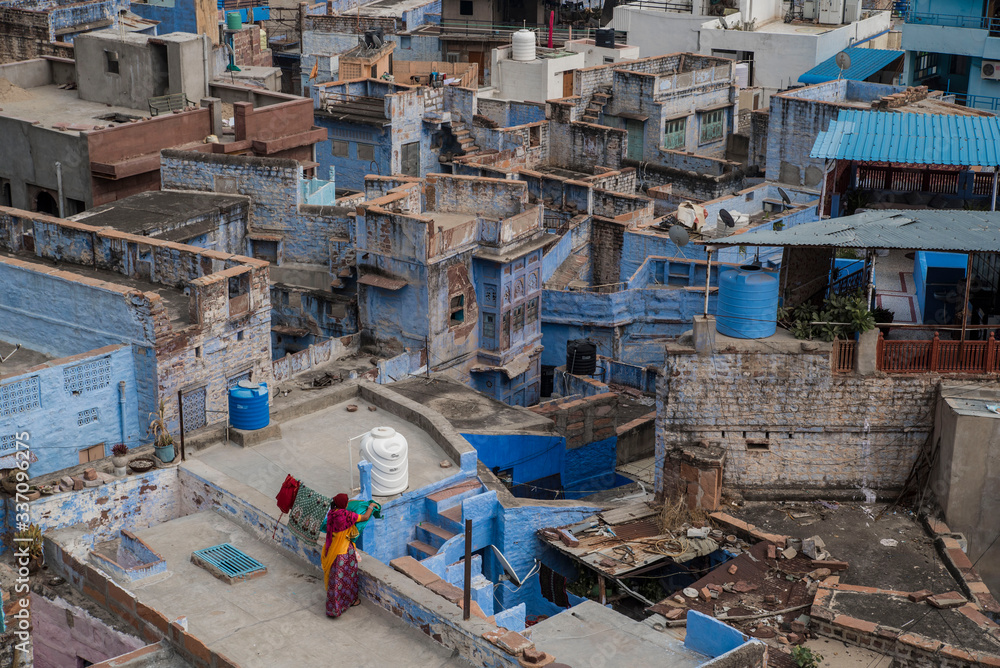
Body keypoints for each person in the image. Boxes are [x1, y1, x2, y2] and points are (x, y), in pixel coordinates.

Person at [322, 493, 376, 618]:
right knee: (348, 579)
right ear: (344, 505)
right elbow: (365, 517)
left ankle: (333, 608)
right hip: (344, 552)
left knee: (335, 581)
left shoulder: (333, 513)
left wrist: (351, 501)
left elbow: (342, 505)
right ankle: (350, 601)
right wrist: (371, 506)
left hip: (332, 551)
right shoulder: (347, 516)